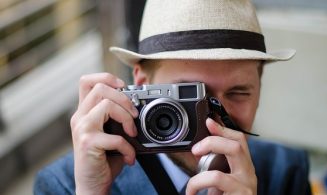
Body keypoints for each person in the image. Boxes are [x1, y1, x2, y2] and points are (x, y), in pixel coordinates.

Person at [34, 0, 311, 194]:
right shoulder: (66, 186)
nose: (212, 120)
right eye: (188, 95)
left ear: (260, 89)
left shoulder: (284, 172)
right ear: (141, 83)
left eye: (238, 93)